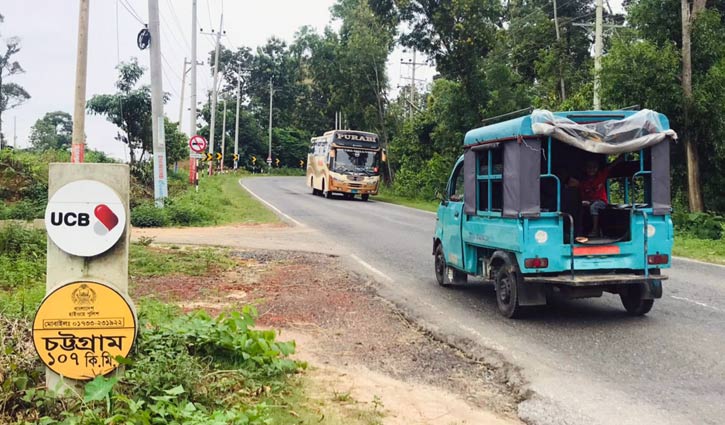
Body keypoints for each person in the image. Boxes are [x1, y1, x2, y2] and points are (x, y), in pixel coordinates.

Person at [567, 154, 624, 237]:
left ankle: (595, 230)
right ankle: (579, 231)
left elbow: (610, 166)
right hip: (590, 202)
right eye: (589, 167)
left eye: (594, 167)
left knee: (594, 206)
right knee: (579, 206)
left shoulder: (601, 176)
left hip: (601, 201)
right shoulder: (583, 182)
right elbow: (583, 196)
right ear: (585, 169)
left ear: (597, 168)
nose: (591, 169)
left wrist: (619, 159)